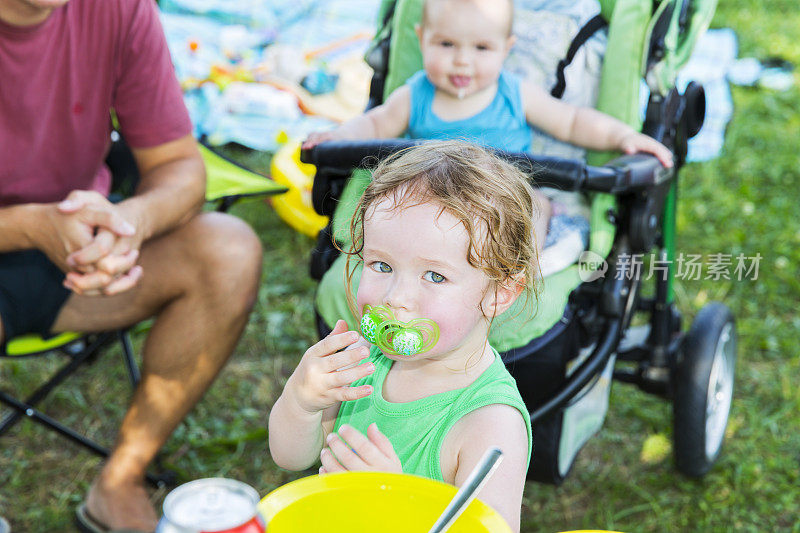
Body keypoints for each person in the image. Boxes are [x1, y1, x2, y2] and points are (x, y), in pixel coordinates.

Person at [0, 0, 263, 530]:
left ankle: (121, 478)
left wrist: (131, 223)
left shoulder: (118, 8)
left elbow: (178, 166)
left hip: (80, 243)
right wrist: (30, 225)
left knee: (227, 250)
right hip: (27, 230)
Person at [269, 141, 535, 531]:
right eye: (381, 265)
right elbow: (291, 458)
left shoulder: (490, 423)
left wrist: (398, 503)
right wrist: (301, 402)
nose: (396, 299)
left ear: (499, 294)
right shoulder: (360, 363)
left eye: (434, 276)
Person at [304, 0, 674, 253]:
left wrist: (623, 136)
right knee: (392, 208)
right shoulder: (415, 94)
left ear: (505, 48)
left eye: (481, 48)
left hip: (502, 198)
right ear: (422, 40)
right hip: (428, 197)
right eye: (446, 44)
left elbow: (573, 121)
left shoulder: (514, 93)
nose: (462, 62)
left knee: (535, 205)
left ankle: (514, 272)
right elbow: (374, 122)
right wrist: (338, 137)